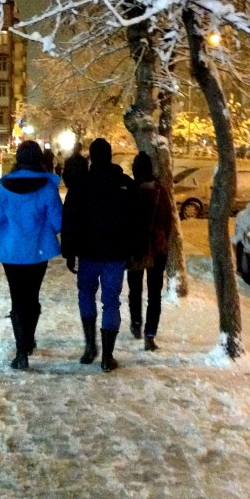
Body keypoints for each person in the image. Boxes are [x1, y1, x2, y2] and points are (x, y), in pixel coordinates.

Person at [0, 140, 63, 370]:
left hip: (11, 253)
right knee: (32, 296)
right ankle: (28, 340)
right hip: (38, 252)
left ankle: (21, 350)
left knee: (17, 298)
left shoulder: (5, 189)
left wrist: (10, 234)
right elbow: (58, 222)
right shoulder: (47, 188)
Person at [61, 137, 136, 372]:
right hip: (115, 255)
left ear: (91, 157)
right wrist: (132, 252)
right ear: (111, 155)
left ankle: (90, 346)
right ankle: (107, 356)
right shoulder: (125, 184)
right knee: (111, 301)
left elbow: (70, 221)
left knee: (86, 295)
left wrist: (69, 252)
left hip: (88, 254)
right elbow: (136, 222)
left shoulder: (80, 185)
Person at [126, 151, 174, 351]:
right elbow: (168, 220)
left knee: (134, 288)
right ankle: (150, 334)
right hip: (157, 248)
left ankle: (136, 323)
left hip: (136, 247)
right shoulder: (160, 191)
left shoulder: (130, 189)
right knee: (154, 293)